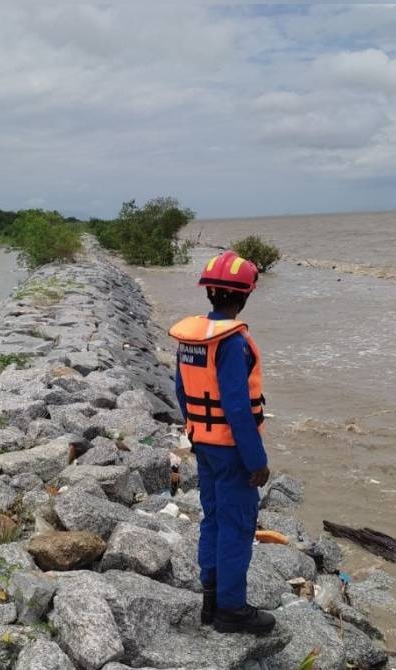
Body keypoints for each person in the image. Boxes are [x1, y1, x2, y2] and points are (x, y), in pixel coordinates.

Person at [168, 250, 275, 635]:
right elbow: (237, 406)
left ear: (209, 292)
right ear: (244, 296)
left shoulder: (192, 340)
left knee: (213, 520)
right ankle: (231, 609)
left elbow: (182, 393)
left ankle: (211, 600)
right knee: (237, 526)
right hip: (232, 451)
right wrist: (256, 461)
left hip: (204, 444)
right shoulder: (232, 342)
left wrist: (195, 435)